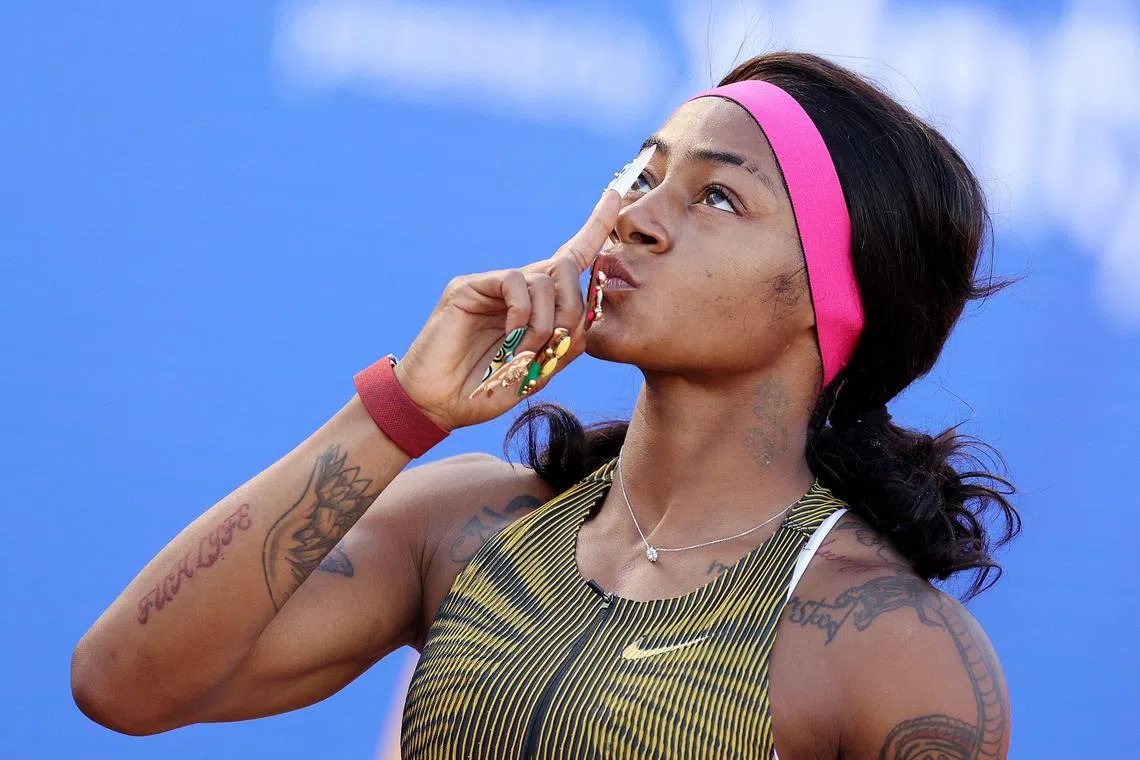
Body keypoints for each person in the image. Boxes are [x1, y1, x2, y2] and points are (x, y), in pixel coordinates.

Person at [72, 52, 1019, 759]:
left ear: (832, 298)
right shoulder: (467, 525)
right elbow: (123, 685)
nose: (637, 217)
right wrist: (404, 410)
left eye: (719, 198)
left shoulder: (893, 646)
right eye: (643, 177)